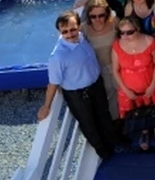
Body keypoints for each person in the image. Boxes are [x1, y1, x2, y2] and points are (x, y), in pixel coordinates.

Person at [37, 11, 122, 160]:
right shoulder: (58, 57)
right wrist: (46, 106)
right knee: (89, 124)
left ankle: (116, 140)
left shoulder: (82, 37)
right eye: (64, 32)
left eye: (73, 29)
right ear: (59, 32)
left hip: (96, 85)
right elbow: (53, 83)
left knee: (104, 115)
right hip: (78, 96)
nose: (70, 34)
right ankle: (103, 152)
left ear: (79, 27)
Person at [111, 14, 155, 150]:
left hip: (150, 85)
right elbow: (115, 70)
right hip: (129, 89)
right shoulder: (117, 45)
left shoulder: (151, 42)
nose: (125, 36)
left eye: (129, 32)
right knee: (138, 112)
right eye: (122, 33)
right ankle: (144, 131)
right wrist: (126, 90)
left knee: (154, 109)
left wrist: (153, 85)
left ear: (137, 29)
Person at [80, 0, 120, 119]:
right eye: (93, 16)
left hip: (118, 66)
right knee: (108, 96)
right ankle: (115, 121)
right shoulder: (84, 28)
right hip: (99, 69)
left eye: (101, 15)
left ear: (107, 13)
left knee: (123, 92)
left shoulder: (114, 22)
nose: (97, 19)